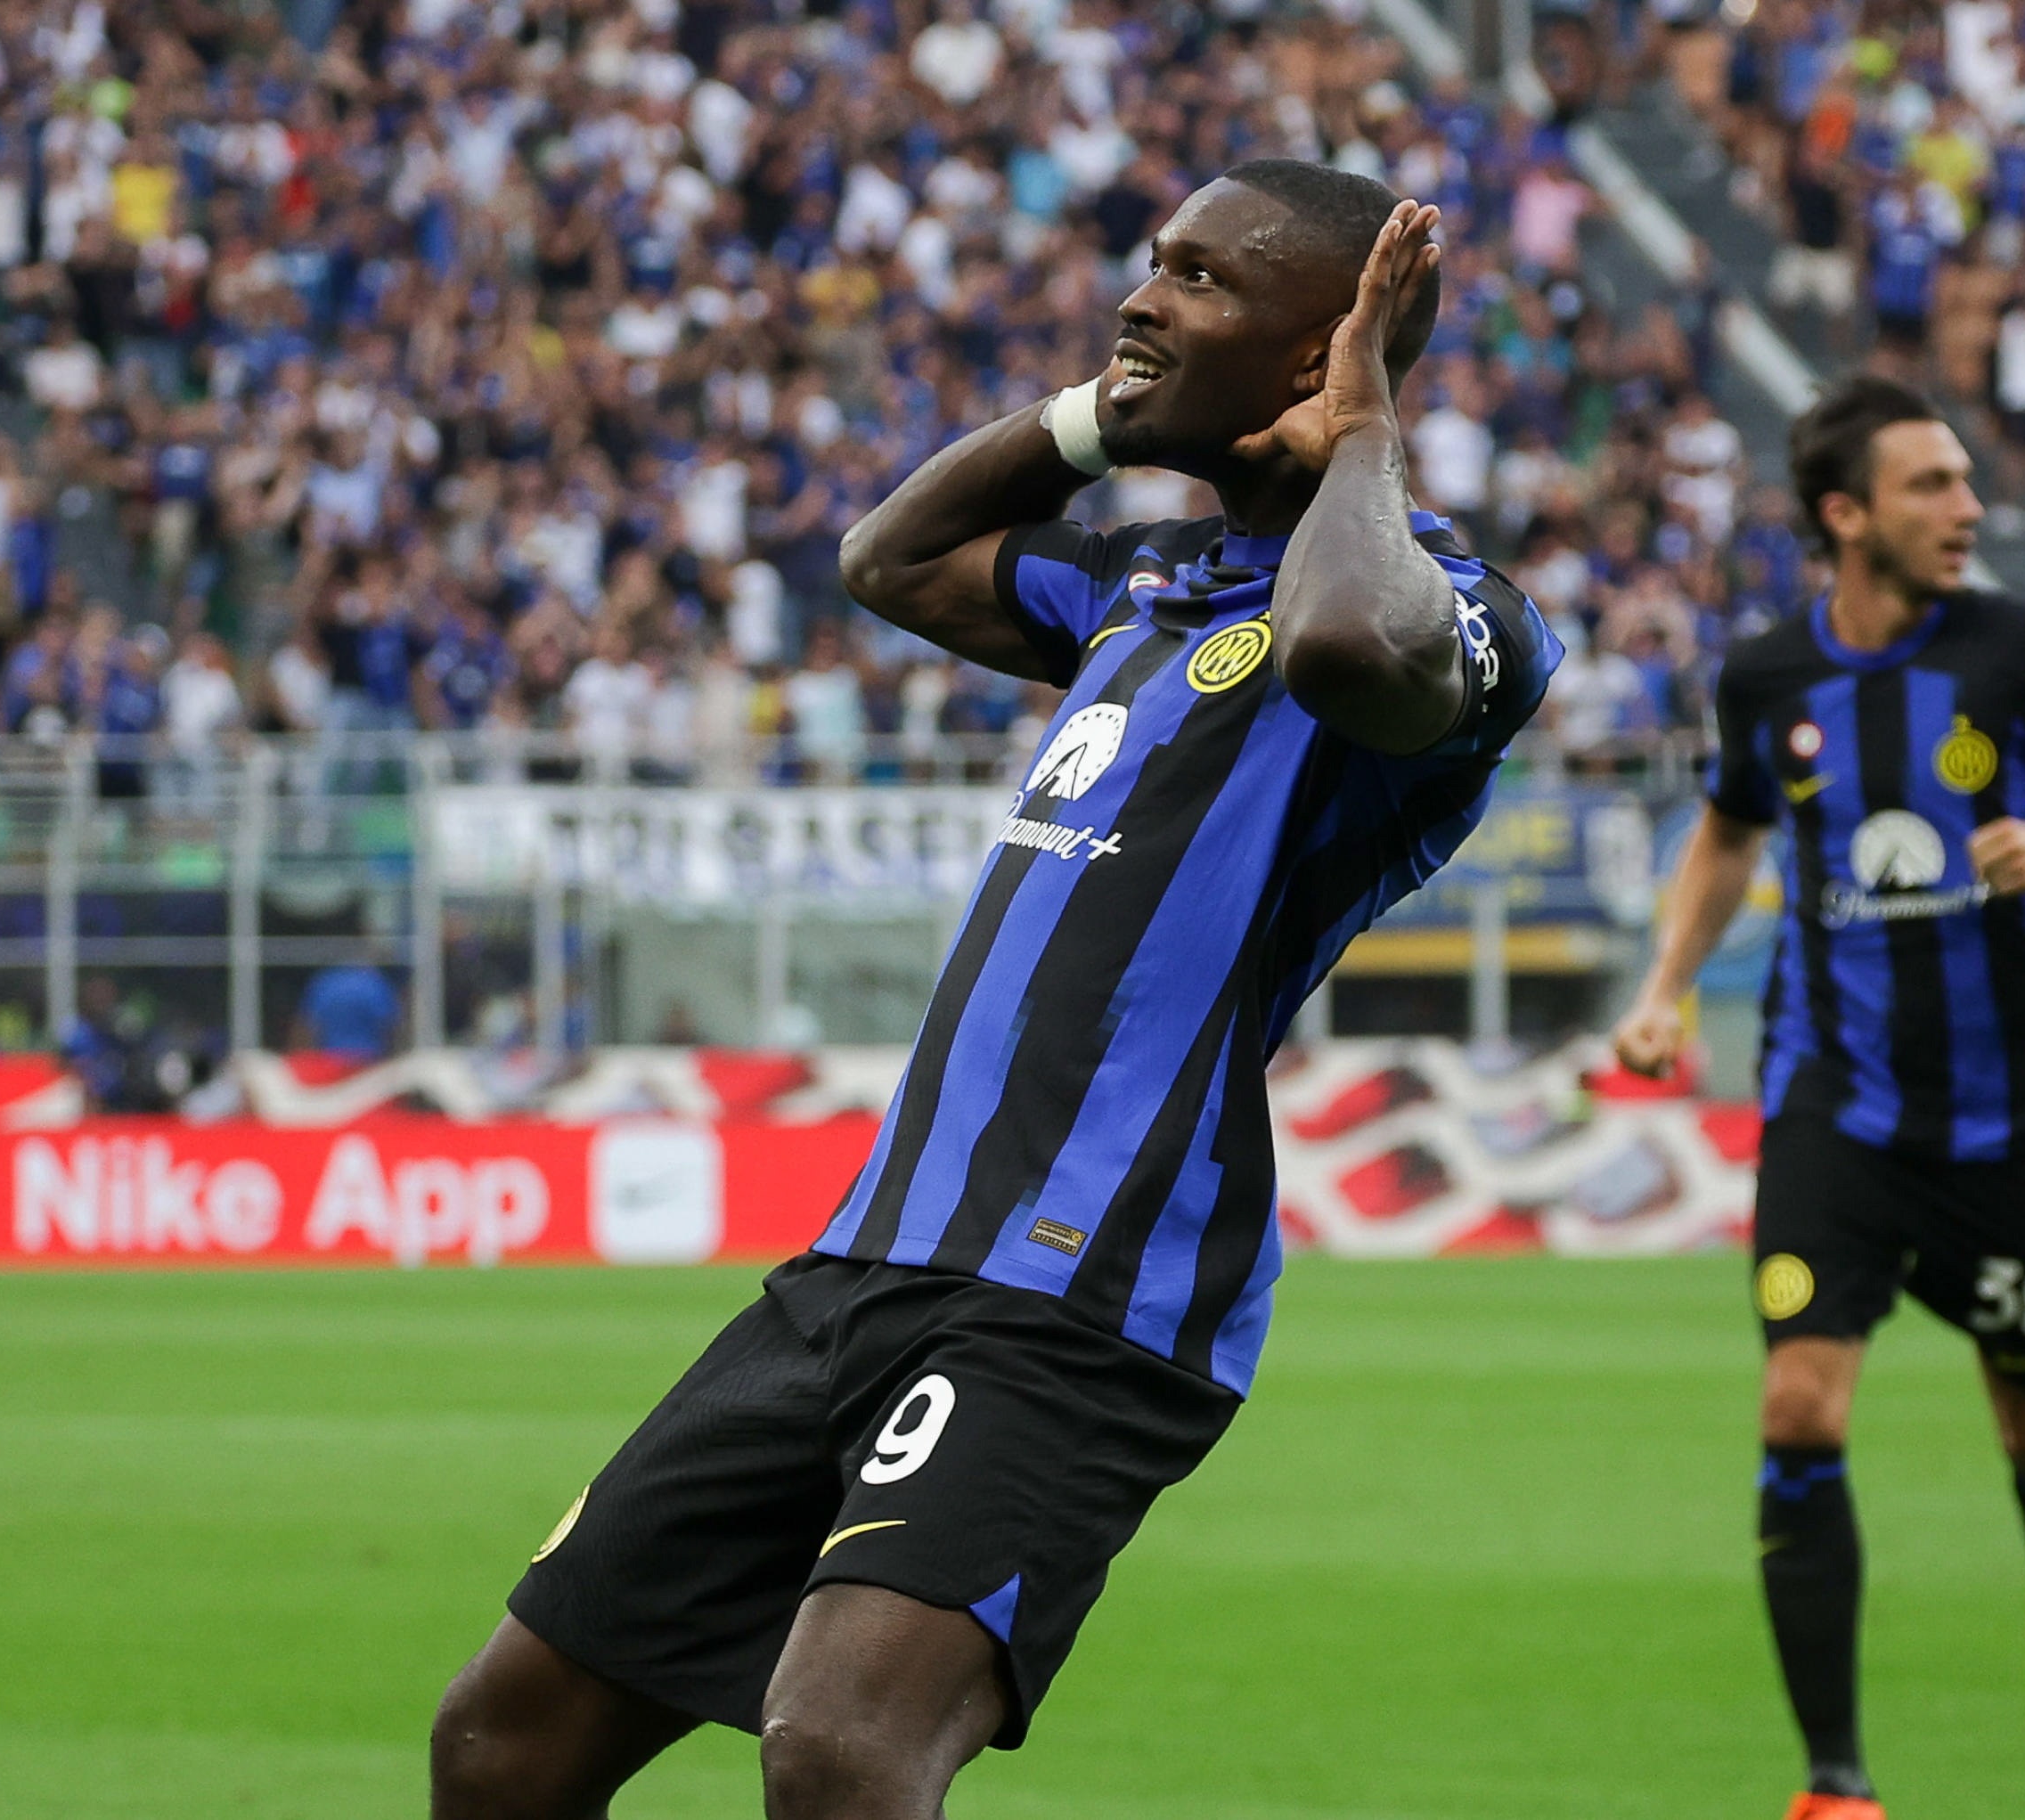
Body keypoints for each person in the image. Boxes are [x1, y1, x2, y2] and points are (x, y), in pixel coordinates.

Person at [430, 164, 1560, 1818]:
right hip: (864, 1261)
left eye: (1201, 279)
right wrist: (1101, 417)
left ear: (1321, 348)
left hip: (1084, 1290)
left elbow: (1344, 647)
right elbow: (888, 555)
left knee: (841, 1741)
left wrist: (1361, 431)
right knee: (502, 1738)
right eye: (1152, 262)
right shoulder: (1138, 583)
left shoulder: (1467, 616)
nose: (1142, 296)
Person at [1608, 375, 2025, 1820]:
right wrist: (1664, 983)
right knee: (1799, 1406)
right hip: (1835, 1109)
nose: (1968, 506)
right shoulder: (1766, 677)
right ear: (1847, 514)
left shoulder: (2015, 647)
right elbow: (1727, 832)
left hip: (2007, 1126)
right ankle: (1836, 1782)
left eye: (1964, 480)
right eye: (1932, 483)